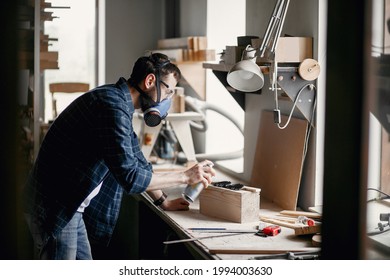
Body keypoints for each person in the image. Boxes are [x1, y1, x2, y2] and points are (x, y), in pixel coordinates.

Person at [22, 53, 216, 260]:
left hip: (71, 206)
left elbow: (137, 159)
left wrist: (162, 201)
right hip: (57, 207)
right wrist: (185, 177)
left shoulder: (117, 101)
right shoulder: (111, 106)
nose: (167, 100)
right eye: (168, 91)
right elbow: (131, 178)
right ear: (150, 81)